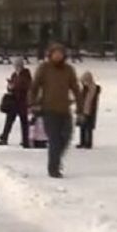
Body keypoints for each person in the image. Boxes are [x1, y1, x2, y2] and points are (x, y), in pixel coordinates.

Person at [28, 43, 81, 178]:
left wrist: (80, 108)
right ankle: (53, 168)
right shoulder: (44, 68)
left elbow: (75, 88)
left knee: (66, 136)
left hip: (64, 109)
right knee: (54, 140)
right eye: (55, 53)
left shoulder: (69, 70)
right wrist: (32, 103)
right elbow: (34, 87)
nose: (58, 56)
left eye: (60, 53)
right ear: (50, 55)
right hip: (49, 109)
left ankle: (56, 159)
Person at [0, 58, 32, 147]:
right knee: (9, 121)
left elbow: (27, 86)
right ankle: (4, 138)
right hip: (13, 102)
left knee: (24, 122)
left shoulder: (26, 74)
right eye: (15, 66)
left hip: (22, 102)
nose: (16, 68)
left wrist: (15, 86)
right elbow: (10, 87)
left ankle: (25, 140)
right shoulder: (14, 75)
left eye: (18, 66)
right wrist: (10, 86)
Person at [77, 71, 101, 149]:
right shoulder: (85, 89)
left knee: (88, 127)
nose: (83, 83)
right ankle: (82, 142)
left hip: (90, 110)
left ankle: (88, 143)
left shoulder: (93, 89)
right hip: (83, 109)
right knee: (82, 127)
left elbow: (90, 101)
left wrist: (86, 110)